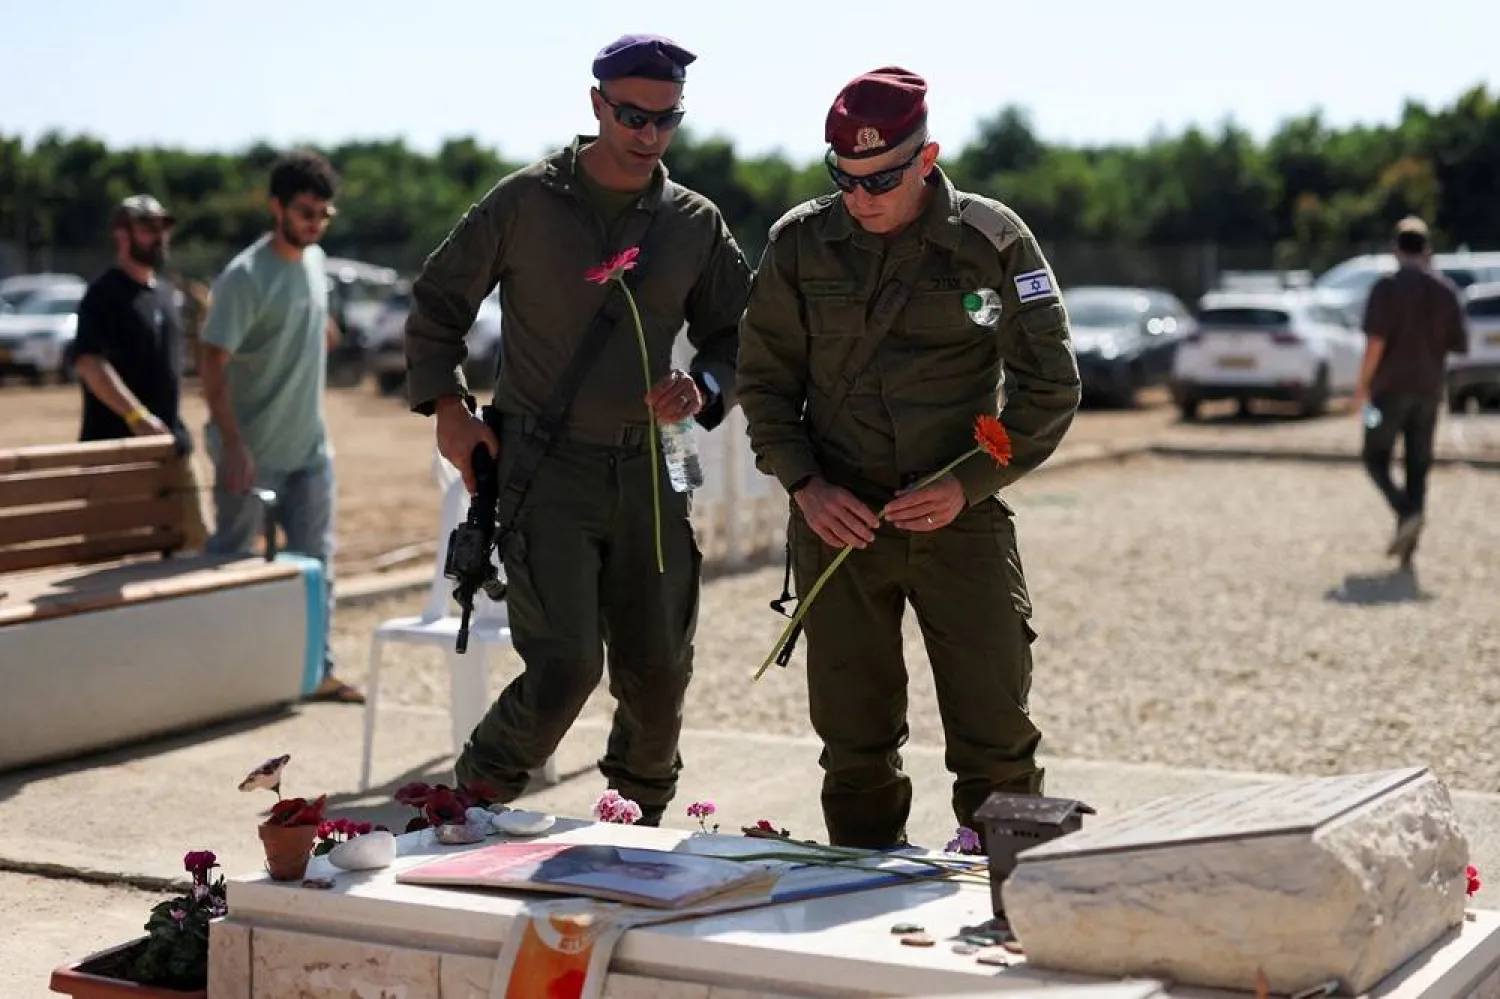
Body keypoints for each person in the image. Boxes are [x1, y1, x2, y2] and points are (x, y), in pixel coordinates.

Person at [403, 34, 752, 824]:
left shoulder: (694, 222)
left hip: (653, 470)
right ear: (596, 104)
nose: (649, 134)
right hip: (543, 467)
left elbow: (742, 335)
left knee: (660, 673)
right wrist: (450, 411)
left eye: (667, 119)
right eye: (632, 115)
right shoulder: (525, 202)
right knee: (564, 666)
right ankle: (468, 804)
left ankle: (636, 830)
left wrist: (701, 385)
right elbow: (437, 301)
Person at [736, 67, 1082, 849]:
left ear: (928, 158)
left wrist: (969, 484)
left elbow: (1050, 386)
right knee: (854, 747)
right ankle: (861, 915)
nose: (861, 197)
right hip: (840, 527)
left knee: (997, 740)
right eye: (845, 179)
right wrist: (806, 486)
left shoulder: (993, 240)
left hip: (959, 524)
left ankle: (1013, 912)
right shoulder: (799, 243)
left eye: (882, 178)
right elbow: (763, 384)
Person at [198, 149, 363, 704]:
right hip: (251, 452)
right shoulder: (245, 276)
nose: (314, 223)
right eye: (304, 212)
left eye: (323, 213)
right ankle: (221, 682)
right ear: (276, 207)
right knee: (233, 562)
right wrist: (235, 447)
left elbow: (312, 321)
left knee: (318, 563)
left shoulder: (317, 264)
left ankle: (318, 671)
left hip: (310, 449)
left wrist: (323, 330)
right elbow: (211, 362)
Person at [68, 194, 208, 551]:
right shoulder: (103, 295)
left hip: (171, 447)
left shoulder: (164, 293)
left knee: (193, 544)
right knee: (112, 556)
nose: (159, 236)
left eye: (163, 227)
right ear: (122, 235)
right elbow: (89, 362)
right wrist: (136, 416)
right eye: (148, 228)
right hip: (116, 451)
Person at [1353, 215, 1469, 567]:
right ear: (1428, 250)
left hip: (1387, 390)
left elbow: (1376, 342)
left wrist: (1362, 385)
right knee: (1418, 467)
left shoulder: (1386, 288)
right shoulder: (1446, 291)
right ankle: (1409, 546)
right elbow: (1458, 344)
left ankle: (1405, 512)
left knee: (1374, 457)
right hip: (1429, 391)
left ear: (1395, 249)